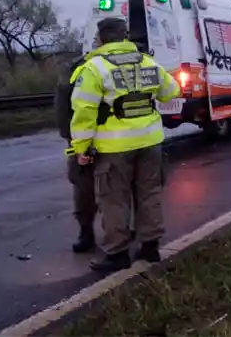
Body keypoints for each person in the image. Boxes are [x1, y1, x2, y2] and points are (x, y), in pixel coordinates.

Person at [69, 17, 180, 272]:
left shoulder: (94, 68)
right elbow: (171, 91)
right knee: (149, 193)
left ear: (100, 38)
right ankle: (150, 248)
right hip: (151, 141)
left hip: (114, 147)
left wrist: (81, 148)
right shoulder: (147, 61)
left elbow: (83, 111)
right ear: (125, 36)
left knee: (114, 199)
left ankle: (117, 253)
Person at [55, 49, 102, 253]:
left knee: (91, 185)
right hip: (97, 136)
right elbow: (63, 106)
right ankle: (90, 231)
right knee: (89, 188)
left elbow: (61, 106)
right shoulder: (76, 67)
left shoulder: (77, 66)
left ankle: (91, 232)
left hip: (102, 137)